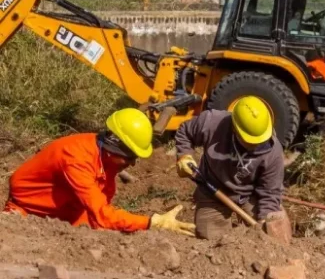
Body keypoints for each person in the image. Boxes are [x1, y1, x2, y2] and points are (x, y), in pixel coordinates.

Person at [3, 108, 195, 236]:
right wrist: (152, 222)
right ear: (114, 148)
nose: (133, 164)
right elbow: (102, 214)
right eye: (130, 157)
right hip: (27, 214)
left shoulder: (105, 158)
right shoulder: (77, 159)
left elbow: (102, 209)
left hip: (67, 212)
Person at [175, 96, 288, 240]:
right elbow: (185, 132)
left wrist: (265, 221)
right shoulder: (212, 122)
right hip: (212, 191)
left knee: (268, 232)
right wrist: (184, 155)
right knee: (212, 240)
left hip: (249, 195)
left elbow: (270, 192)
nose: (256, 146)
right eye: (250, 141)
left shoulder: (273, 152)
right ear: (235, 128)